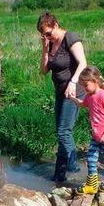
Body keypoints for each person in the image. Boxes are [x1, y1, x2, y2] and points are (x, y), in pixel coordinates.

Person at [38, 12, 88, 182]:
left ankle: (73, 166)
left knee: (64, 132)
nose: (46, 37)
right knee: (62, 134)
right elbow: (44, 71)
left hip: (74, 91)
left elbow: (83, 63)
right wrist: (45, 49)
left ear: (56, 25)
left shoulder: (70, 38)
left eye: (48, 33)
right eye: (43, 34)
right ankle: (59, 176)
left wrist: (73, 82)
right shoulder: (49, 44)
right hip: (60, 92)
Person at [68, 66, 104, 194]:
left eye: (86, 85)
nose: (84, 88)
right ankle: (91, 185)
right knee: (91, 158)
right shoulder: (89, 96)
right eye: (82, 86)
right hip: (96, 135)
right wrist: (72, 98)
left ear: (95, 81)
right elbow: (82, 104)